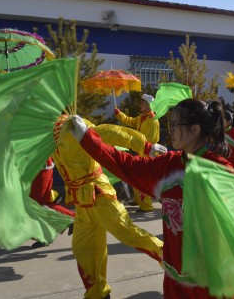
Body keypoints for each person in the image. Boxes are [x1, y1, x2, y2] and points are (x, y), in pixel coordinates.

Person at [63, 99, 234, 298]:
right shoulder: (167, 165)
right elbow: (125, 164)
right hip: (175, 279)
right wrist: (86, 138)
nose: (170, 130)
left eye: (175, 125)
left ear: (195, 129)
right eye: (170, 124)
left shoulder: (216, 169)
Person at [52, 119, 164, 299]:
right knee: (83, 250)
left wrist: (145, 145)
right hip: (81, 203)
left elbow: (107, 132)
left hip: (99, 195)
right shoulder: (44, 137)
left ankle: (170, 258)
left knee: (128, 233)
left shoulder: (71, 124)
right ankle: (98, 293)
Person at [115, 94, 160, 211]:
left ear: (148, 105)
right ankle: (138, 200)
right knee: (136, 178)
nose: (140, 104)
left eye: (142, 102)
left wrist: (134, 144)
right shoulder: (141, 117)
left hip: (148, 154)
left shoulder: (153, 121)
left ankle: (146, 206)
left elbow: (149, 142)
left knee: (143, 180)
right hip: (140, 152)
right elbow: (130, 121)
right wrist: (119, 114)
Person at [29, 157, 75, 249]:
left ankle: (72, 218)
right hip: (34, 168)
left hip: (39, 168)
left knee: (38, 205)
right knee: (33, 205)